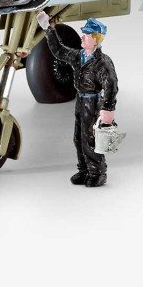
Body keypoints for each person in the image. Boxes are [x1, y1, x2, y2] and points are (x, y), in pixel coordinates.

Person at [36, 12, 118, 187]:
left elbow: (111, 85)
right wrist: (47, 28)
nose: (82, 37)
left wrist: (108, 108)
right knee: (78, 138)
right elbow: (59, 50)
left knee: (91, 138)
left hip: (93, 103)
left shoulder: (102, 62)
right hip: (80, 101)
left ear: (95, 39)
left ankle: (97, 172)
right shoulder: (78, 57)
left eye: (86, 35)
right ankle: (84, 170)